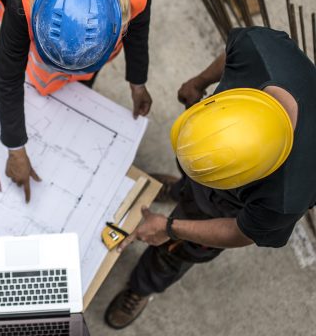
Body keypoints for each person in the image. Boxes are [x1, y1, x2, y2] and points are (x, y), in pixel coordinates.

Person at [104, 26, 316, 329]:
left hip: (224, 209)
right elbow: (231, 52)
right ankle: (181, 190)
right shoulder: (258, 50)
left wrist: (171, 228)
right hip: (222, 160)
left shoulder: (285, 197)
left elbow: (240, 232)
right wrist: (199, 81)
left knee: (178, 251)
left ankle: (143, 287)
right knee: (192, 181)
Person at [0, 0, 154, 202]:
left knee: (79, 90)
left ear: (118, 23)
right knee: (42, 86)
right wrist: (15, 148)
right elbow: (8, 75)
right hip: (42, 67)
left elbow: (138, 35)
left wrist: (138, 82)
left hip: (94, 60)